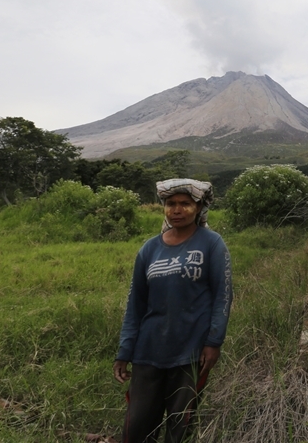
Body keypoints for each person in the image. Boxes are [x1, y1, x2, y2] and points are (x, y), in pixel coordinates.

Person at [114, 178, 232, 443]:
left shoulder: (212, 244)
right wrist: (125, 350)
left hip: (190, 353)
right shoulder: (149, 249)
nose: (177, 210)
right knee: (137, 427)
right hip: (148, 351)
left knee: (180, 428)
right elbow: (135, 305)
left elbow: (223, 296)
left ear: (199, 207)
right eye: (170, 204)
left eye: (185, 204)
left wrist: (214, 342)